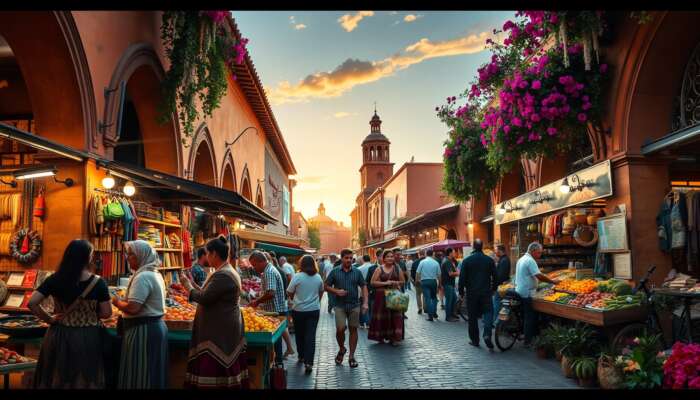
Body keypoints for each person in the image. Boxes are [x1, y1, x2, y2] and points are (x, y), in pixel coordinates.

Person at [28, 239, 112, 388]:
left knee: (57, 375)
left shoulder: (55, 279)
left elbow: (32, 303)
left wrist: (50, 319)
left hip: (59, 334)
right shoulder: (98, 283)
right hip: (88, 336)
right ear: (88, 257)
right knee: (85, 377)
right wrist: (90, 314)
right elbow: (106, 313)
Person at [179, 237, 249, 389]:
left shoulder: (223, 274)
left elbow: (204, 298)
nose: (206, 257)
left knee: (215, 371)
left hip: (219, 333)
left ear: (215, 254)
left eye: (208, 254)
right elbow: (209, 293)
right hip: (221, 328)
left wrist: (187, 286)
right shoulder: (223, 271)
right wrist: (191, 285)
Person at [112, 240, 169, 389]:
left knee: (141, 373)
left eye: (131, 255)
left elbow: (133, 308)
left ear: (141, 256)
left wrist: (116, 302)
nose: (127, 257)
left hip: (143, 331)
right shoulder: (154, 274)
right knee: (150, 372)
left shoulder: (143, 277)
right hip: (151, 328)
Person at [324, 249, 368, 369]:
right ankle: (342, 348)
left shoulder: (357, 272)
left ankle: (351, 357)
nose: (349, 260)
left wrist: (365, 303)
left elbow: (364, 286)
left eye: (350, 258)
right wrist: (336, 291)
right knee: (340, 329)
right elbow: (325, 286)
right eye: (346, 258)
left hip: (354, 305)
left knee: (353, 329)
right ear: (342, 258)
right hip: (340, 306)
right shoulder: (335, 272)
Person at [514, 242, 559, 346]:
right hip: (527, 293)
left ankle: (526, 336)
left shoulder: (521, 259)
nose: (540, 255)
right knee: (530, 317)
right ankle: (528, 341)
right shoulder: (530, 260)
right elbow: (538, 275)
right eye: (539, 253)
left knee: (526, 315)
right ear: (533, 251)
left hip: (520, 290)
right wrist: (552, 281)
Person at [249, 251, 289, 365]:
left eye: (254, 265)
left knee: (276, 341)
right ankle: (277, 362)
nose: (254, 268)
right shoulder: (269, 269)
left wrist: (257, 301)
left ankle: (278, 363)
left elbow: (271, 293)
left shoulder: (269, 272)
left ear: (260, 262)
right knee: (276, 340)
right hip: (274, 309)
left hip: (275, 310)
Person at [286, 255, 324, 374]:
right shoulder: (318, 277)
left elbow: (289, 291)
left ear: (301, 264)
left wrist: (295, 298)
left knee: (300, 334)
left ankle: (301, 356)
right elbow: (321, 291)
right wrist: (316, 301)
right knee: (310, 336)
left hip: (299, 310)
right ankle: (309, 363)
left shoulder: (297, 276)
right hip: (313, 310)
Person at [458, 239, 497, 349]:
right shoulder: (489, 260)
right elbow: (495, 276)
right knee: (488, 312)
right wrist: (493, 289)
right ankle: (487, 334)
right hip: (486, 292)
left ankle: (475, 340)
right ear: (482, 247)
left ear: (473, 247)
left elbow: (462, 278)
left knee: (472, 317)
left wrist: (461, 292)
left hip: (472, 293)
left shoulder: (467, 261)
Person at [368, 250, 405, 346]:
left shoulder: (397, 268)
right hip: (381, 297)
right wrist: (386, 283)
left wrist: (396, 283)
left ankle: (395, 338)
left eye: (392, 256)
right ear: (383, 259)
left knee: (396, 317)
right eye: (388, 256)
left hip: (394, 295)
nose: (390, 258)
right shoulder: (379, 269)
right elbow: (372, 282)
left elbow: (403, 281)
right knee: (383, 317)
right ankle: (381, 337)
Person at [267, 251, 295, 359]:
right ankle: (289, 348)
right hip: (282, 301)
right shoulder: (279, 270)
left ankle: (280, 355)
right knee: (283, 327)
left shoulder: (273, 271)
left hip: (278, 304)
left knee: (280, 329)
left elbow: (272, 292)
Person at [416, 249, 441, 321]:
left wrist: (417, 280)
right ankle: (434, 312)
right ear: (433, 254)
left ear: (426, 254)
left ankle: (430, 316)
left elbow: (418, 272)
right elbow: (439, 275)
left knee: (427, 298)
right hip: (433, 282)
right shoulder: (436, 263)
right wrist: (440, 284)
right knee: (434, 298)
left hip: (424, 282)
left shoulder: (422, 262)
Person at [492, 244, 511, 325]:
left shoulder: (504, 260)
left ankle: (495, 322)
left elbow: (500, 276)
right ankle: (498, 322)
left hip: (501, 287)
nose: (495, 252)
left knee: (497, 303)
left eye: (496, 251)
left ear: (500, 251)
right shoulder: (503, 259)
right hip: (501, 286)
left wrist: (495, 285)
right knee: (499, 304)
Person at [441, 247, 460, 322]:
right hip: (447, 283)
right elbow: (451, 274)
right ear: (450, 253)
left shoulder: (450, 260)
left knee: (454, 298)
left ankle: (452, 313)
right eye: (454, 252)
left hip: (450, 284)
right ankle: (448, 316)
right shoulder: (447, 261)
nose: (455, 253)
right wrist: (459, 273)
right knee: (449, 300)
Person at [364, 249, 383, 325]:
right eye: (382, 256)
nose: (384, 258)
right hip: (375, 295)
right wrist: (370, 291)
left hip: (388, 295)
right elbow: (367, 282)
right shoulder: (371, 268)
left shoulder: (391, 267)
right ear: (377, 257)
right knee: (374, 313)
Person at [358, 255, 373, 329]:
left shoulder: (359, 268)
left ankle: (361, 323)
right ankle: (368, 323)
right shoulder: (374, 267)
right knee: (369, 306)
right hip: (371, 289)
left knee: (362, 306)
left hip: (362, 290)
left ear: (363, 259)